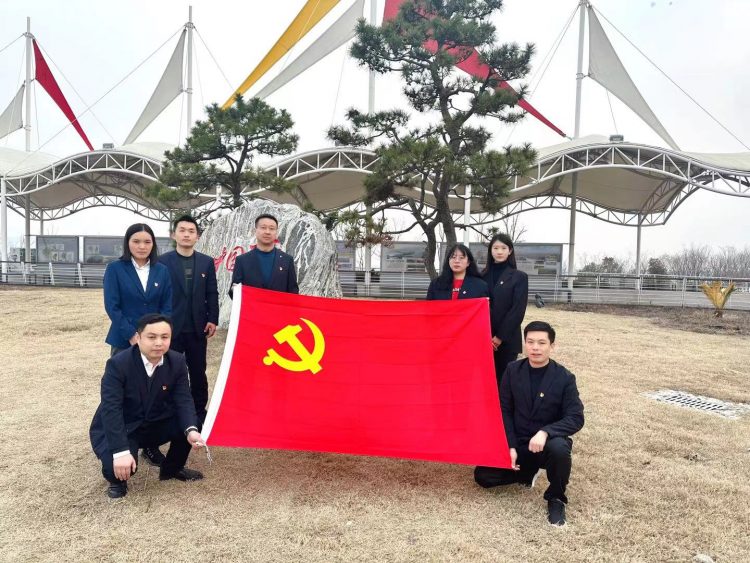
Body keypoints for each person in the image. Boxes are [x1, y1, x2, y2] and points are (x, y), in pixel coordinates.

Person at [474, 321, 584, 526]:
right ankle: (526, 473)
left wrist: (546, 431)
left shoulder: (565, 378)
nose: (535, 348)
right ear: (524, 343)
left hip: (545, 445)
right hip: (519, 441)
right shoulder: (512, 370)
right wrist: (510, 445)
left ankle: (556, 498)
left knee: (560, 449)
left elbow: (576, 417)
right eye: (530, 342)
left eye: (542, 343)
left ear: (552, 346)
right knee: (483, 475)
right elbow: (504, 410)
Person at [89, 314, 206, 499]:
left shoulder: (177, 361)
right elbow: (111, 409)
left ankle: (172, 468)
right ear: (138, 337)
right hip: (125, 425)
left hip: (155, 420)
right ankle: (117, 481)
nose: (158, 343)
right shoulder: (118, 364)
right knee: (116, 467)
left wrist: (191, 430)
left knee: (192, 423)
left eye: (165, 337)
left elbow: (183, 400)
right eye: (152, 337)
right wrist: (120, 452)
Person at [103, 223, 172, 467]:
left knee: (154, 393)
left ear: (153, 244)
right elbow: (113, 306)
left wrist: (156, 336)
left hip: (154, 343)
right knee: (122, 394)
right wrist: (133, 335)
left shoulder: (162, 271)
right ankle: (121, 444)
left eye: (147, 242)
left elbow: (167, 306)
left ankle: (150, 445)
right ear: (128, 243)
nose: (142, 246)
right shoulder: (115, 269)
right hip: (125, 341)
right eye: (136, 241)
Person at [158, 215, 219, 426]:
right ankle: (169, 413)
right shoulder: (162, 262)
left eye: (191, 231)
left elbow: (212, 292)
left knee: (198, 372)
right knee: (168, 372)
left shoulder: (206, 262)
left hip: (197, 328)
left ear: (197, 236)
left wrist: (213, 318)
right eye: (182, 230)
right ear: (173, 235)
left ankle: (199, 413)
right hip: (171, 328)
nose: (186, 235)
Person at [482, 233, 528, 385]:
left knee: (503, 383)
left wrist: (499, 337)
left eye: (503, 248)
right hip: (483, 339)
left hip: (507, 340)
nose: (499, 251)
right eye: (495, 248)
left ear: (510, 251)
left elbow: (518, 310)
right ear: (490, 251)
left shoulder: (519, 277)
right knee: (484, 382)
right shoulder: (481, 276)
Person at [229, 214, 298, 297]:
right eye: (263, 227)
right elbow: (234, 293)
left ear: (276, 232)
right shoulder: (242, 260)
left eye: (271, 228)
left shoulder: (287, 260)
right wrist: (234, 290)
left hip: (278, 305)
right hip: (252, 305)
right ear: (255, 231)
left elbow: (293, 292)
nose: (267, 232)